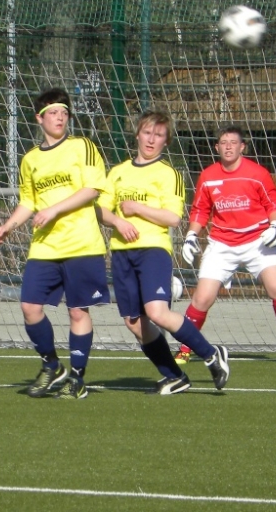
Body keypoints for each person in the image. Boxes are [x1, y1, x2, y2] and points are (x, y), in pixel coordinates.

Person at [96, 111, 229, 395]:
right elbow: (102, 209)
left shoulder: (168, 174)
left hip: (153, 251)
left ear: (165, 142)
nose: (151, 139)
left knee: (157, 312)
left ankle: (210, 354)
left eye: (158, 135)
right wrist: (119, 220)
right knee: (133, 322)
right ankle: (175, 375)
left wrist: (137, 209)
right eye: (147, 133)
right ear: (137, 135)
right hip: (121, 253)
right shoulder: (117, 172)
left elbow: (172, 218)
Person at [0, 88, 108, 400]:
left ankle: (78, 378)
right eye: (54, 113)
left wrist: (55, 209)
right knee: (30, 306)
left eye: (64, 113)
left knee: (77, 312)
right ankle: (52, 365)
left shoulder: (83, 146)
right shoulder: (30, 160)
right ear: (39, 118)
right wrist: (9, 225)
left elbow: (93, 188)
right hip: (44, 247)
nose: (60, 118)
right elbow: (27, 202)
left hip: (81, 243)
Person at [179, 126, 276, 363]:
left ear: (242, 147)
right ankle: (185, 348)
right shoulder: (208, 176)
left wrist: (275, 226)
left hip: (257, 241)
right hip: (222, 243)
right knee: (202, 298)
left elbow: (274, 204)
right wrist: (191, 236)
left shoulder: (257, 173)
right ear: (216, 147)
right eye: (223, 142)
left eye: (233, 142)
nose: (228, 146)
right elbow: (200, 210)